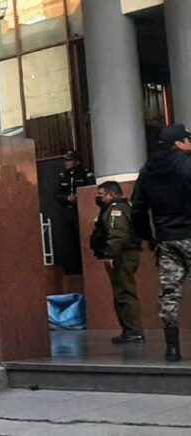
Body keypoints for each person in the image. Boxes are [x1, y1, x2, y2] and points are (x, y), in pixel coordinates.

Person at [132, 123, 191, 362]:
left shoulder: (148, 170)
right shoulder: (187, 163)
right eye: (187, 139)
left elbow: (137, 209)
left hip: (166, 240)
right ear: (178, 144)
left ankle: (172, 348)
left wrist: (148, 237)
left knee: (169, 293)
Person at [91, 181, 143, 344]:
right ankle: (129, 329)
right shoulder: (116, 208)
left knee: (124, 292)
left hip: (122, 255)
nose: (98, 198)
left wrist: (109, 254)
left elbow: (117, 234)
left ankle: (133, 330)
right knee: (122, 292)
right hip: (123, 254)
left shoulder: (116, 210)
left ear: (111, 195)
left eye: (101, 195)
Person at [54, 151, 95, 275]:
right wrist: (67, 198)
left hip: (81, 212)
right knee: (68, 241)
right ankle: (72, 270)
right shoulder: (63, 176)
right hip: (67, 212)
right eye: (66, 160)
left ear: (77, 162)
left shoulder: (85, 174)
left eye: (69, 160)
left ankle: (86, 268)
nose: (67, 163)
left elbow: (91, 190)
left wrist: (80, 197)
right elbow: (57, 194)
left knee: (82, 238)